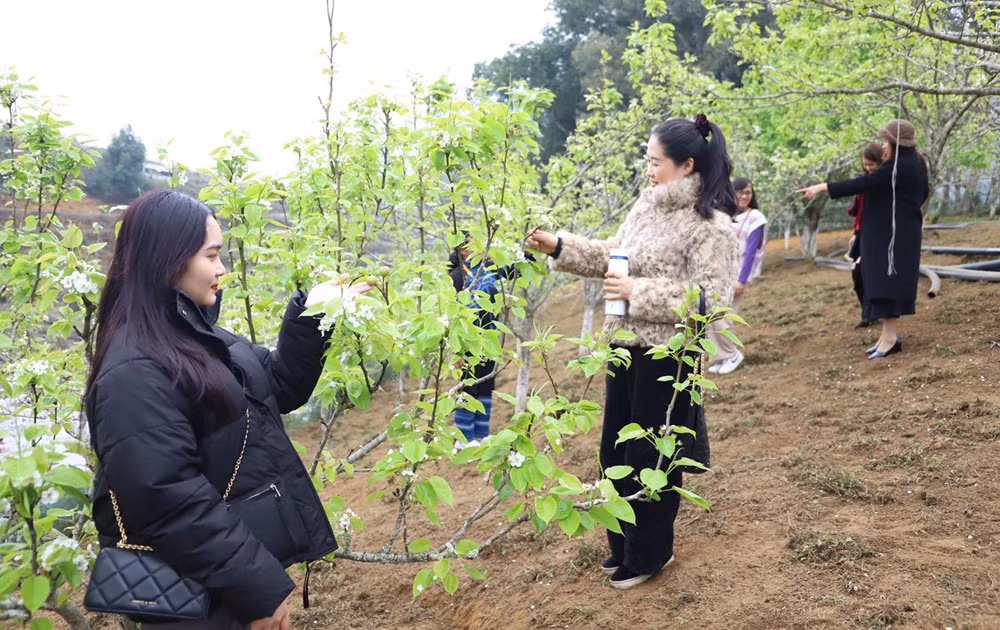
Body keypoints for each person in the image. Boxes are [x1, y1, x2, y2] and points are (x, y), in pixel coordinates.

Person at [85, 190, 371, 629]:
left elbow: (273, 385)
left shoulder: (193, 336)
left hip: (220, 577)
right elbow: (168, 500)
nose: (221, 269)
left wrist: (314, 314)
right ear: (170, 258)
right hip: (198, 594)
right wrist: (257, 591)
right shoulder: (135, 368)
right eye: (211, 256)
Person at [526, 115, 738, 589]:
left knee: (654, 457)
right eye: (646, 160)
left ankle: (649, 555)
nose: (648, 169)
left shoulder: (713, 227)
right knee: (616, 450)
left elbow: (711, 299)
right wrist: (558, 245)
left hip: (669, 358)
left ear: (686, 165)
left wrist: (637, 291)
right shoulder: (646, 207)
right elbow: (611, 255)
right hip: (624, 348)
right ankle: (621, 545)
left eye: (654, 161)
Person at [799, 119, 929, 359]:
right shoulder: (915, 162)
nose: (883, 145)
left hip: (892, 238)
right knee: (881, 281)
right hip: (891, 234)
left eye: (886, 140)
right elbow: (920, 195)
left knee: (887, 283)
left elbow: (866, 183)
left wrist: (823, 187)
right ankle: (886, 337)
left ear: (895, 142)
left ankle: (890, 338)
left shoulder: (901, 165)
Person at [447, 237, 531, 445]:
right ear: (464, 250)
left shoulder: (489, 268)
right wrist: (455, 350)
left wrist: (526, 253)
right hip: (468, 343)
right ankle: (463, 439)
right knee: (468, 388)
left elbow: (514, 271)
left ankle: (481, 435)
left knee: (485, 386)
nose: (482, 246)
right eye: (475, 243)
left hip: (490, 340)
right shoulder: (457, 277)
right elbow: (449, 315)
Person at [708, 177, 766, 375]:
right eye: (739, 192)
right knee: (712, 314)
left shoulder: (755, 217)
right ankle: (720, 357)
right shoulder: (724, 215)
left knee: (721, 315)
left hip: (737, 274)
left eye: (748, 192)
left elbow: (751, 252)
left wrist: (742, 279)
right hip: (719, 272)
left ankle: (732, 354)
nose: (743, 196)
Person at [846, 142, 886, 328]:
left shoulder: (881, 183)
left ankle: (872, 313)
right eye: (866, 164)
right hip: (863, 232)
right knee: (858, 274)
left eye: (872, 164)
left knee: (865, 273)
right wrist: (856, 232)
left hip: (876, 234)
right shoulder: (864, 183)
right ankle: (868, 312)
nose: (869, 168)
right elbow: (861, 212)